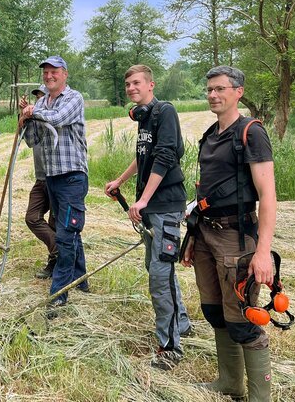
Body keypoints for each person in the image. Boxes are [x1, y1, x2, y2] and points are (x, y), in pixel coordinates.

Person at [181, 66, 277, 401]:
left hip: (236, 239)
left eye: (220, 89)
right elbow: (205, 193)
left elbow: (268, 195)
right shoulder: (210, 135)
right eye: (209, 89)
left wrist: (263, 253)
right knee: (214, 312)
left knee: (241, 320)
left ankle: (259, 396)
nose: (213, 95)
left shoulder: (250, 132)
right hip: (205, 234)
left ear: (238, 91)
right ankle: (230, 384)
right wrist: (193, 238)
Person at [104, 64, 193, 370]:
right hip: (152, 207)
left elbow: (166, 156)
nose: (131, 88)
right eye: (128, 84)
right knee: (158, 269)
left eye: (137, 83)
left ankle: (170, 349)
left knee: (159, 274)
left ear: (151, 84)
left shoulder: (164, 112)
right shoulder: (145, 118)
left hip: (165, 204)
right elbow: (144, 156)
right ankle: (181, 322)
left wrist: (141, 200)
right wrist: (120, 180)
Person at [21, 55, 89, 313]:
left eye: (54, 72)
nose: (49, 76)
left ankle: (59, 294)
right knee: (70, 231)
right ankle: (82, 281)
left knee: (64, 234)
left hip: (72, 176)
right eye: (46, 72)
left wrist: (33, 112)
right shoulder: (41, 102)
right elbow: (33, 139)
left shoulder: (73, 98)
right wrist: (25, 120)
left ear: (65, 74)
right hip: (51, 176)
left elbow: (58, 118)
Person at [19, 85, 57, 279]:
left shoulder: (57, 118)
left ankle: (54, 264)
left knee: (55, 221)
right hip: (41, 177)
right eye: (37, 98)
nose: (39, 100)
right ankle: (58, 248)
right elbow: (30, 141)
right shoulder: (36, 120)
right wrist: (24, 117)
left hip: (57, 177)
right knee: (32, 217)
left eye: (43, 96)